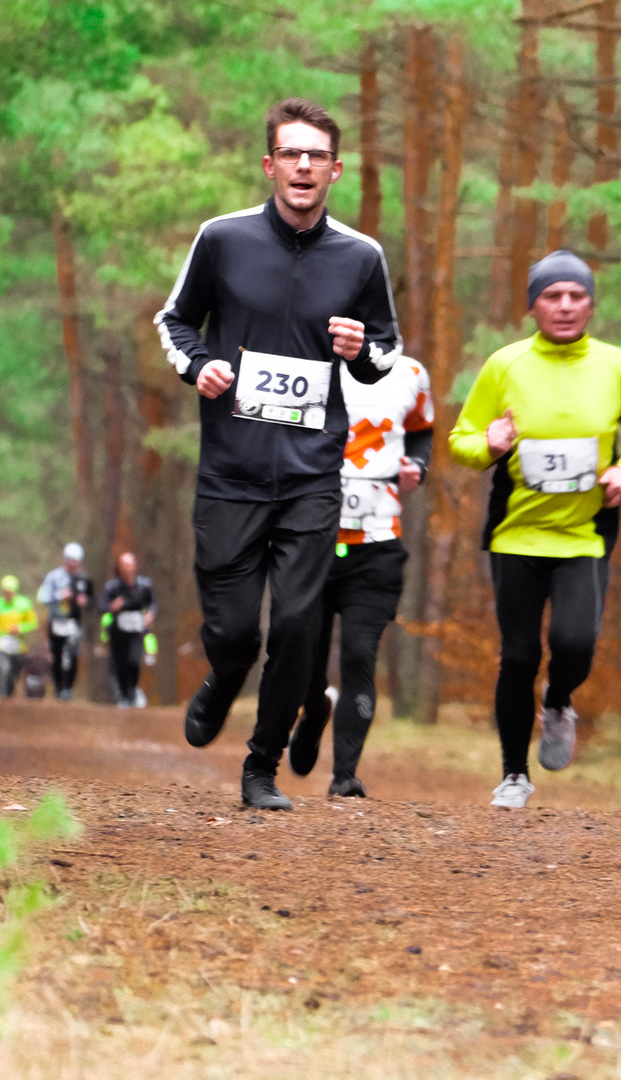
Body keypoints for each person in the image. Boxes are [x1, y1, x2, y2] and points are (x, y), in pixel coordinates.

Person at [154, 96, 402, 811]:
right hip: (230, 471)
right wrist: (197, 365)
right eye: (290, 153)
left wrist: (362, 352)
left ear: (335, 170)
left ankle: (261, 765)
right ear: (270, 164)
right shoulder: (223, 239)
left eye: (316, 156)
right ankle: (223, 674)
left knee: (298, 625)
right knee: (235, 630)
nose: (302, 166)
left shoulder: (361, 255)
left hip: (311, 473)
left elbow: (387, 348)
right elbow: (174, 320)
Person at [449, 251, 621, 811]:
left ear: (591, 304)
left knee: (574, 643)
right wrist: (488, 446)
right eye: (552, 296)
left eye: (576, 296)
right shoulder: (504, 366)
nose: (565, 306)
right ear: (532, 306)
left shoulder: (618, 366)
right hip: (516, 534)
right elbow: (460, 441)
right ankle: (513, 774)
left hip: (584, 533)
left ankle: (560, 701)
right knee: (517, 656)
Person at [291, 350, 434, 798]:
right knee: (306, 663)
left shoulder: (411, 372)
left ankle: (344, 777)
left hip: (376, 546)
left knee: (358, 654)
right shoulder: (308, 364)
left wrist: (418, 467)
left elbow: (422, 432)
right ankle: (315, 711)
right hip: (312, 545)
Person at [35, 543, 93, 701]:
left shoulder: (84, 578)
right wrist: (60, 596)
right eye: (70, 560)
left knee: (74, 654)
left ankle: (68, 688)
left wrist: (84, 601)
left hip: (74, 623)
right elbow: (43, 597)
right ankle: (59, 687)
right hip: (56, 622)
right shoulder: (53, 577)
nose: (73, 564)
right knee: (57, 655)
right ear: (65, 560)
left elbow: (91, 600)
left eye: (76, 561)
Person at [100, 552, 157, 708]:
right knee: (120, 663)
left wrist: (150, 614)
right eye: (124, 564)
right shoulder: (112, 587)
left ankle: (132, 692)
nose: (128, 568)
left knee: (134, 661)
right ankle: (123, 696)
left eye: (130, 564)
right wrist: (112, 607)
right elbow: (101, 607)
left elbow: (152, 604)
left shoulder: (144, 585)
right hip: (118, 632)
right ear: (119, 567)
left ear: (135, 565)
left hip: (137, 631)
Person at [0, 574, 39, 698]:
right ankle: (2, 696)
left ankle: (10, 694)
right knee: (3, 669)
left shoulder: (24, 604)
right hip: (1, 643)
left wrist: (20, 628)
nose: (8, 594)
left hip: (18, 645)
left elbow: (33, 623)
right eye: (6, 591)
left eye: (10, 591)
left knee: (15, 672)